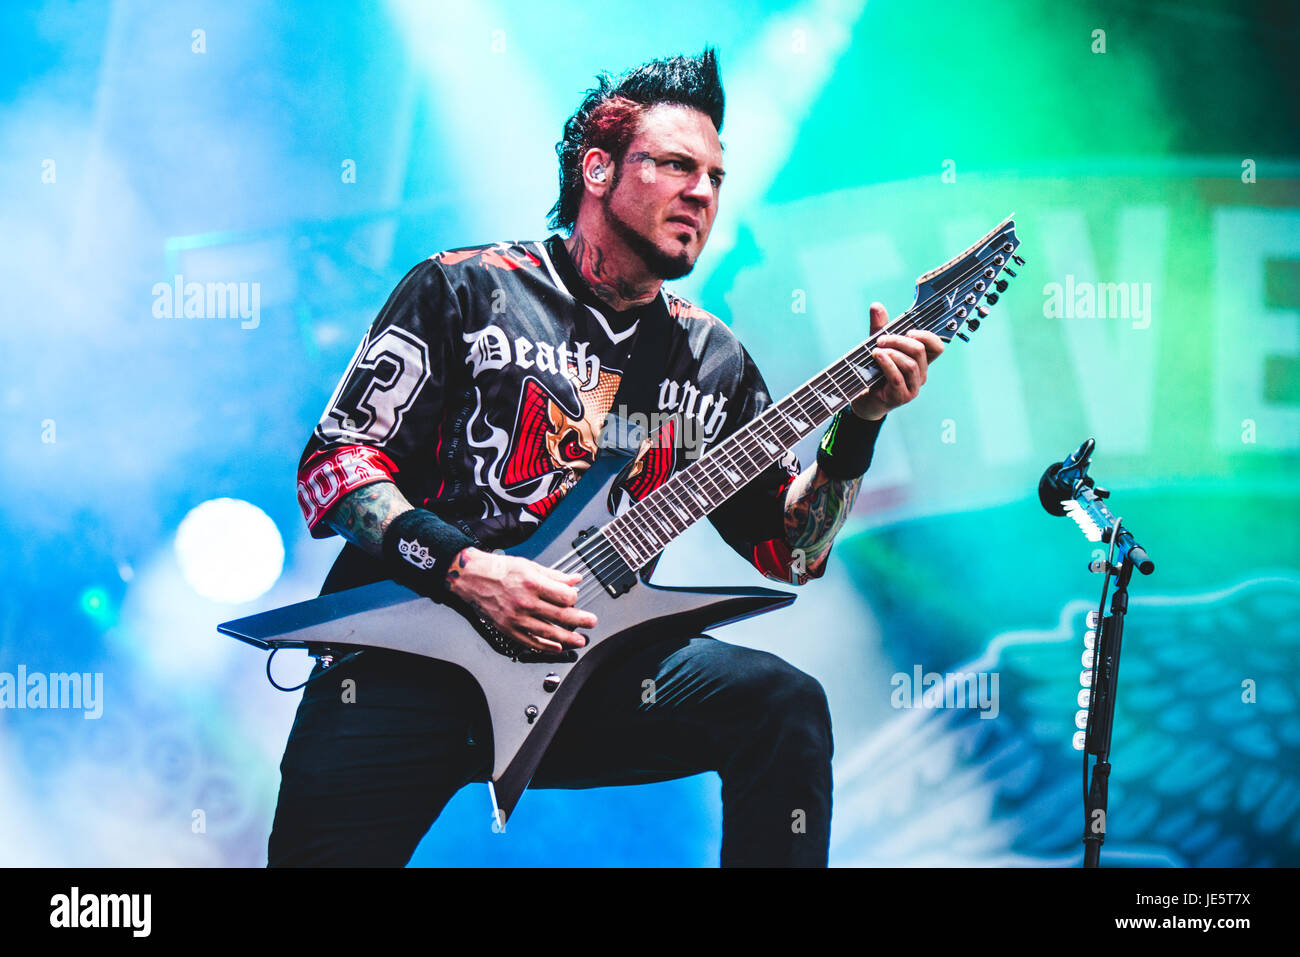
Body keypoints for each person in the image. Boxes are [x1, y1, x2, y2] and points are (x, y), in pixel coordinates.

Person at [269, 48, 942, 867]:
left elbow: (791, 550)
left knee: (781, 703)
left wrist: (857, 427)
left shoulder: (711, 359)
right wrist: (470, 571)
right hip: (404, 660)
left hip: (581, 674)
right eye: (676, 166)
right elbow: (335, 466)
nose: (702, 192)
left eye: (717, 178)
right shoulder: (464, 287)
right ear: (598, 168)